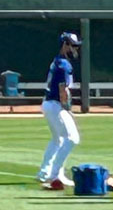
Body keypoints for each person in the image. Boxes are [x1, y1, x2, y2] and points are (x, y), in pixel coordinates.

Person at [38, 32, 82, 190]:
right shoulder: (64, 64)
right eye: (73, 45)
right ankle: (55, 175)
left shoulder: (57, 61)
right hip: (56, 103)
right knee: (72, 138)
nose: (75, 49)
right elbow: (63, 89)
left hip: (48, 103)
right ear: (65, 45)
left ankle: (45, 171)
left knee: (58, 139)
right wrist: (67, 108)